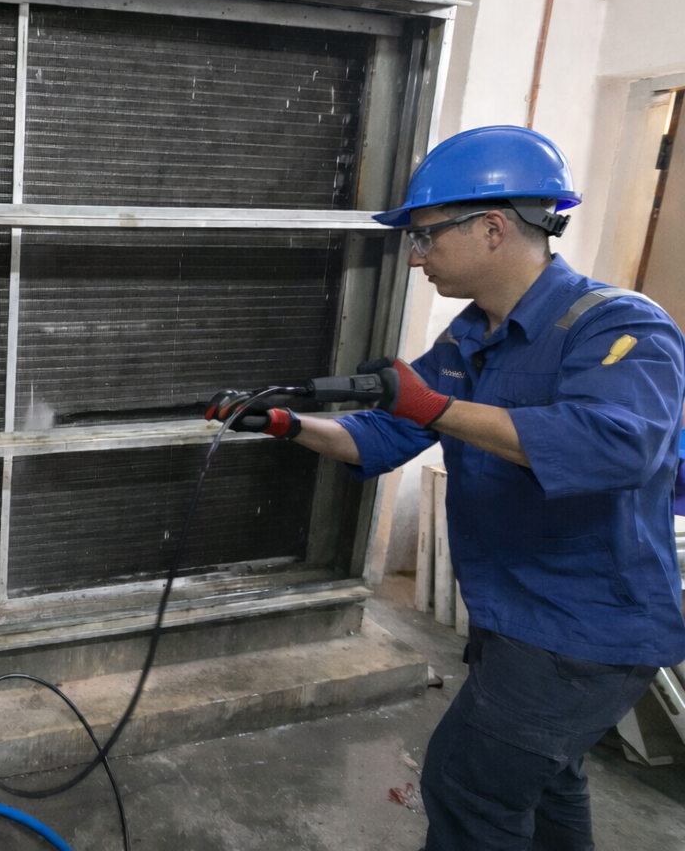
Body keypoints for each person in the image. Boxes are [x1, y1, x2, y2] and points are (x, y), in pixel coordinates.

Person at [209, 125, 685, 851]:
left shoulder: (617, 328)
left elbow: (612, 445)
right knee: (547, 783)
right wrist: (284, 424)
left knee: (468, 792)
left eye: (427, 234)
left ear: (493, 227)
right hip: (515, 619)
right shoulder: (469, 340)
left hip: (585, 632)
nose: (417, 254)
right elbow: (387, 433)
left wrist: (433, 407)